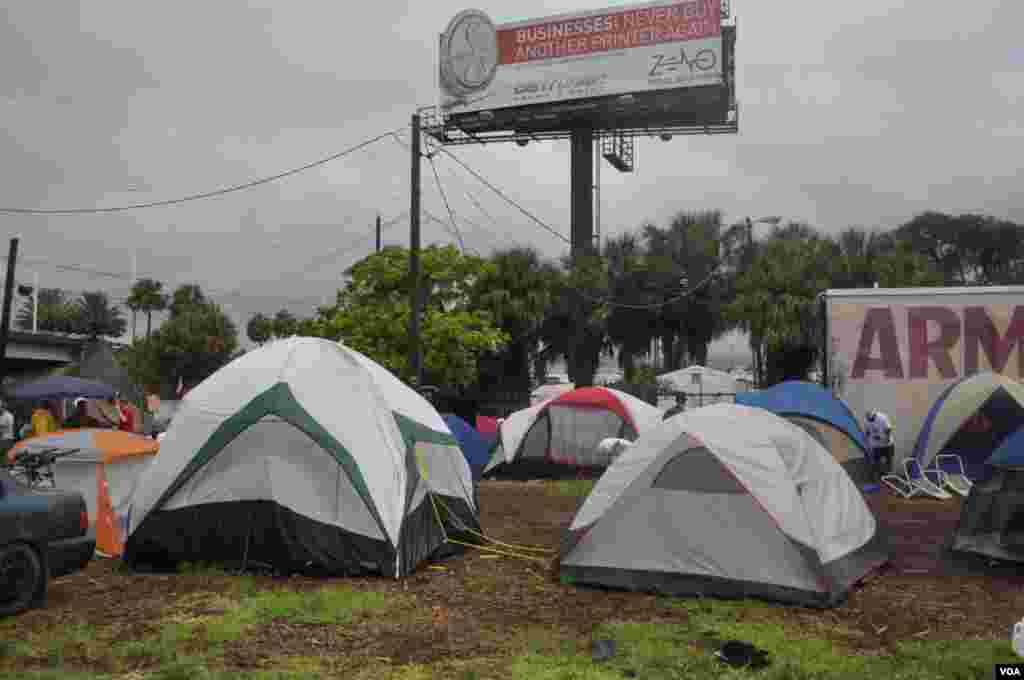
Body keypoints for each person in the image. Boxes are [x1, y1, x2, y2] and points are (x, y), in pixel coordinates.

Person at [864, 410, 895, 481]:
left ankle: (888, 479)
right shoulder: (867, 420)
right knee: (876, 462)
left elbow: (888, 429)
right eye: (869, 420)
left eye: (872, 419)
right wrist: (866, 441)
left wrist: (886, 439)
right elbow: (867, 431)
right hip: (876, 446)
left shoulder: (882, 418)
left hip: (887, 444)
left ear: (874, 416)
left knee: (888, 462)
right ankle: (877, 478)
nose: (870, 421)